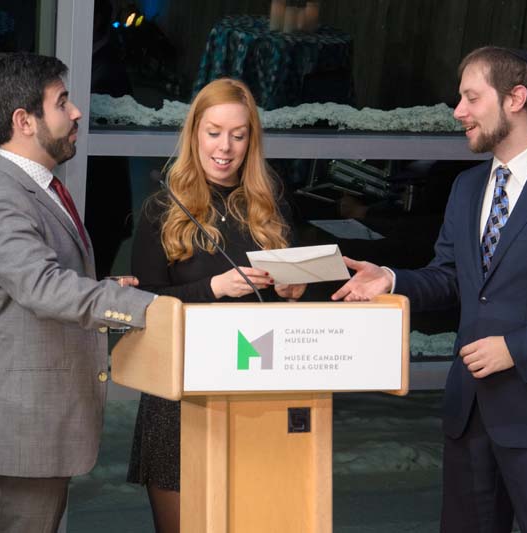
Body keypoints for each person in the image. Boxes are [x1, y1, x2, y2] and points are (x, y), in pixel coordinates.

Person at [332, 46, 527, 533]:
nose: (458, 111)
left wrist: (516, 348)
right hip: (470, 415)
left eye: (471, 98)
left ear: (515, 98)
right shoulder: (467, 187)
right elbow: (451, 276)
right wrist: (392, 278)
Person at [0, 52, 156, 533]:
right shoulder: (1, 196)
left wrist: (102, 290)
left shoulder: (39, 188)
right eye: (62, 102)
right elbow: (42, 287)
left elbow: (39, 282)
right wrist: (148, 309)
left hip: (33, 427)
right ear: (24, 121)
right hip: (16, 429)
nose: (76, 112)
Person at [126, 77, 305, 532]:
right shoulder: (161, 208)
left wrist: (293, 290)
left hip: (256, 390)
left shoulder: (270, 206)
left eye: (238, 135)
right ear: (194, 134)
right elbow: (143, 305)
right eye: (214, 132)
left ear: (251, 141)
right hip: (180, 395)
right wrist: (214, 288)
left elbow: (289, 297)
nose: (225, 147)